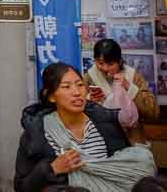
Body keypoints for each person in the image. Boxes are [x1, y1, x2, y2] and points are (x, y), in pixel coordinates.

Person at [15, 62, 156, 192]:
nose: (77, 92)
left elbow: (127, 166)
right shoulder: (37, 132)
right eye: (66, 87)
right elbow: (21, 187)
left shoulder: (104, 122)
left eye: (80, 85)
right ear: (51, 96)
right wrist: (52, 169)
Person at [85, 38, 159, 144]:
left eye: (110, 64)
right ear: (95, 60)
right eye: (100, 63)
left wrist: (129, 87)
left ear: (119, 62)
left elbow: (153, 112)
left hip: (132, 140)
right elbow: (77, 109)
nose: (105, 68)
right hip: (101, 141)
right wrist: (89, 99)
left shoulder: (133, 76)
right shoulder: (89, 77)